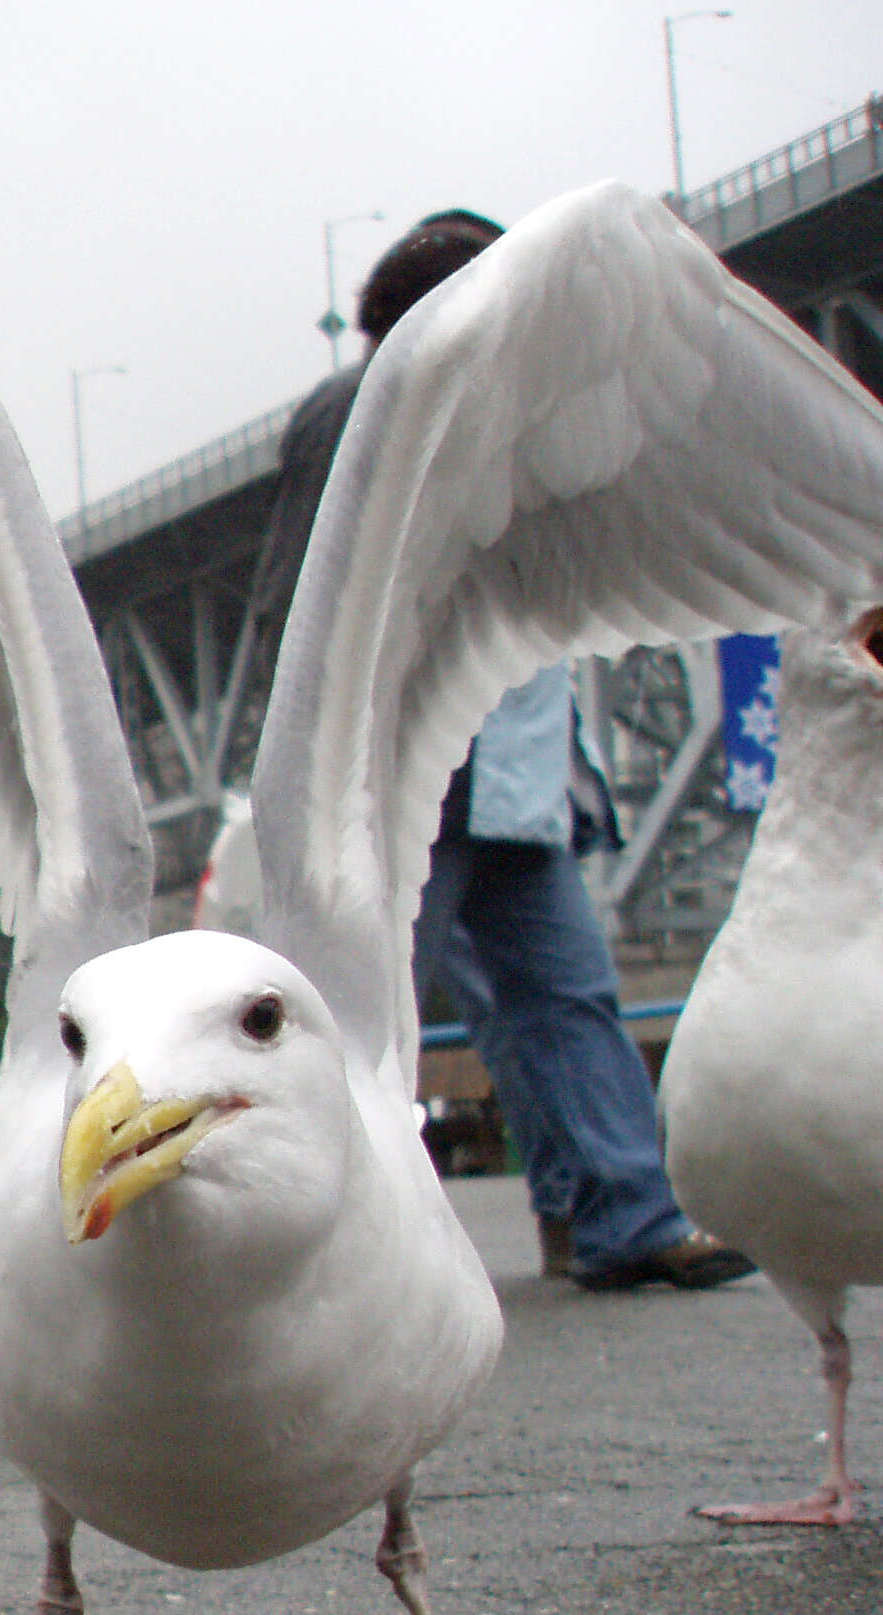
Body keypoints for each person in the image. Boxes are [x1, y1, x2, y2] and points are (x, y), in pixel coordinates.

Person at [248, 208, 754, 1293]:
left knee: (563, 994)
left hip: (516, 771)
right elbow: (300, 594)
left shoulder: (519, 410)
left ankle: (623, 1216)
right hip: (399, 775)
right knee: (368, 1011)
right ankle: (328, 1250)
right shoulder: (356, 410)